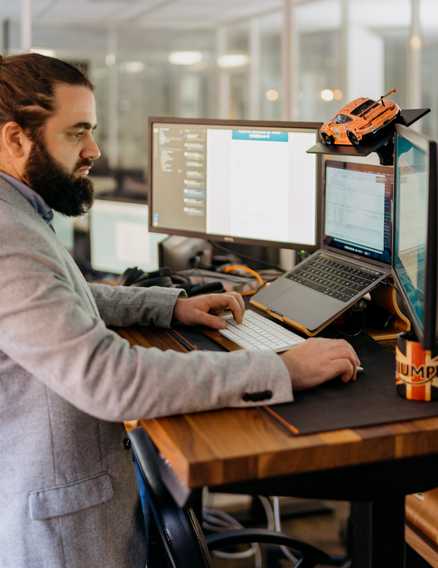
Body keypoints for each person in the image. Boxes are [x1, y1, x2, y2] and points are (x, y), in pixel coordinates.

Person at [0, 53, 360, 568]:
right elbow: (110, 379)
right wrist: (284, 368)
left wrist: (169, 309)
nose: (94, 150)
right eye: (77, 132)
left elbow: (61, 295)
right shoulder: (9, 238)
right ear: (16, 139)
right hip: (62, 537)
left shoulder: (16, 212)